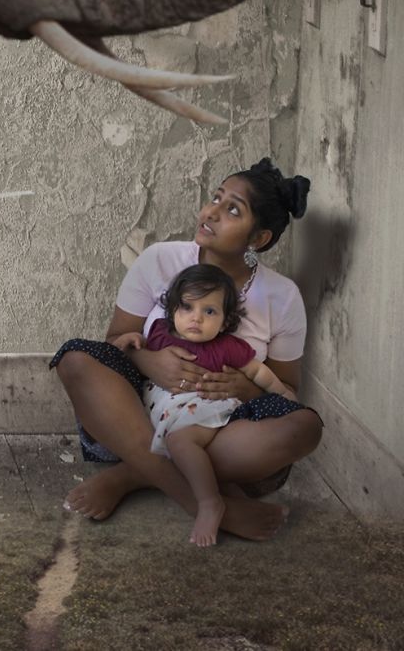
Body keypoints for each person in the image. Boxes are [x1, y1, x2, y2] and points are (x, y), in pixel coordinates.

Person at [51, 158, 321, 542]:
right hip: (142, 414)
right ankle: (202, 502)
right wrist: (149, 361)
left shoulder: (282, 296)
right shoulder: (160, 260)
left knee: (306, 427)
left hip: (218, 427)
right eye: (216, 198)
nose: (210, 212)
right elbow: (117, 341)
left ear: (259, 239)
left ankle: (133, 474)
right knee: (76, 361)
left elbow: (288, 392)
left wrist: (246, 388)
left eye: (232, 210)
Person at [113, 263, 295, 545]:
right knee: (188, 453)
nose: (196, 318)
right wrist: (130, 339)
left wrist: (281, 393)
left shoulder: (226, 347)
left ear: (224, 321)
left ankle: (209, 502)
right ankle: (234, 500)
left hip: (205, 408)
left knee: (181, 443)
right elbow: (132, 350)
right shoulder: (160, 334)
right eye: (187, 307)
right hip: (165, 411)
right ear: (173, 310)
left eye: (209, 311)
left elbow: (258, 372)